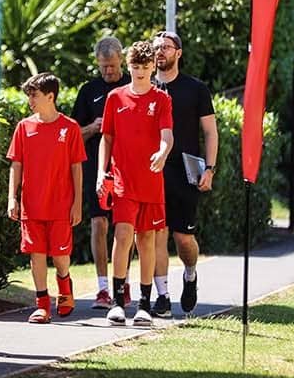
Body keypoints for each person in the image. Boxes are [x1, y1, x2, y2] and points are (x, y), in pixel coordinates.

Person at [97, 40, 173, 326]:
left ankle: (144, 304)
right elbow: (107, 138)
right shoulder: (115, 97)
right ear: (128, 66)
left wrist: (162, 152)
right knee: (122, 235)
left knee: (146, 239)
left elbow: (167, 136)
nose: (140, 72)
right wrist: (100, 173)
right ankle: (117, 303)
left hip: (151, 180)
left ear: (153, 67)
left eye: (145, 66)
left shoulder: (162, 99)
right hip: (122, 180)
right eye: (135, 66)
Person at [7, 72, 86, 323]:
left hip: (61, 205)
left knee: (60, 257)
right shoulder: (24, 127)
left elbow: (76, 168)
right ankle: (42, 305)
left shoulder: (70, 128)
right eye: (29, 95)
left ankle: (65, 288)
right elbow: (16, 165)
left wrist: (77, 203)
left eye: (35, 95)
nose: (30, 100)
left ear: (50, 97)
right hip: (31, 205)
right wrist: (12, 198)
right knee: (36, 253)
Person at [151, 29, 218, 318]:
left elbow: (210, 132)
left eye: (166, 47)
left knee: (183, 239)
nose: (160, 51)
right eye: (157, 47)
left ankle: (190, 274)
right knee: (157, 234)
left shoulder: (196, 89)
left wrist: (210, 169)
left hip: (185, 172)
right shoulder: (145, 86)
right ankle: (162, 296)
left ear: (178, 53)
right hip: (153, 171)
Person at [71, 36, 130, 309]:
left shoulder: (132, 85)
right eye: (104, 66)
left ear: (121, 60)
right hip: (96, 167)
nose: (108, 71)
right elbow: (73, 134)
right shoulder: (88, 91)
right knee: (99, 223)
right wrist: (93, 127)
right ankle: (103, 287)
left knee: (125, 226)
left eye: (113, 66)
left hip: (127, 167)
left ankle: (123, 283)